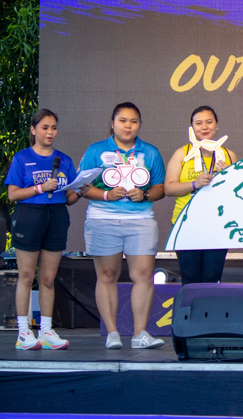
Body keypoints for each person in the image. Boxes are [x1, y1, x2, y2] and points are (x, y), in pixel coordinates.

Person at [78, 102, 166, 350]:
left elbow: (160, 187)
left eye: (134, 121)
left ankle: (140, 334)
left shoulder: (150, 152)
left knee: (143, 276)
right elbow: (82, 186)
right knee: (107, 275)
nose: (128, 126)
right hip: (103, 219)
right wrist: (107, 195)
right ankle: (112, 333)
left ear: (139, 124)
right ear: (113, 123)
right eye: (123, 121)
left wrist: (145, 195)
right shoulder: (96, 151)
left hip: (140, 221)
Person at [5, 109, 88, 350]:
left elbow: (69, 197)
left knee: (49, 278)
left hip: (57, 215)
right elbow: (13, 194)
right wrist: (40, 188)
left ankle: (46, 331)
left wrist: (80, 192)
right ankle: (23, 332)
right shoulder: (22, 158)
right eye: (44, 127)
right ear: (33, 129)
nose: (50, 132)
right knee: (27, 275)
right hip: (29, 215)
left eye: (53, 128)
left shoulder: (64, 159)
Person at [165, 106, 237, 284]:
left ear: (217, 125)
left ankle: (209, 312)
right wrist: (194, 184)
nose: (204, 127)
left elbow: (237, 194)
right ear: (192, 128)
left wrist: (227, 177)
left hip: (218, 225)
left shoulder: (229, 155)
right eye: (199, 123)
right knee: (190, 278)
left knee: (213, 278)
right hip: (186, 223)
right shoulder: (182, 154)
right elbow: (168, 188)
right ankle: (190, 312)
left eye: (209, 122)